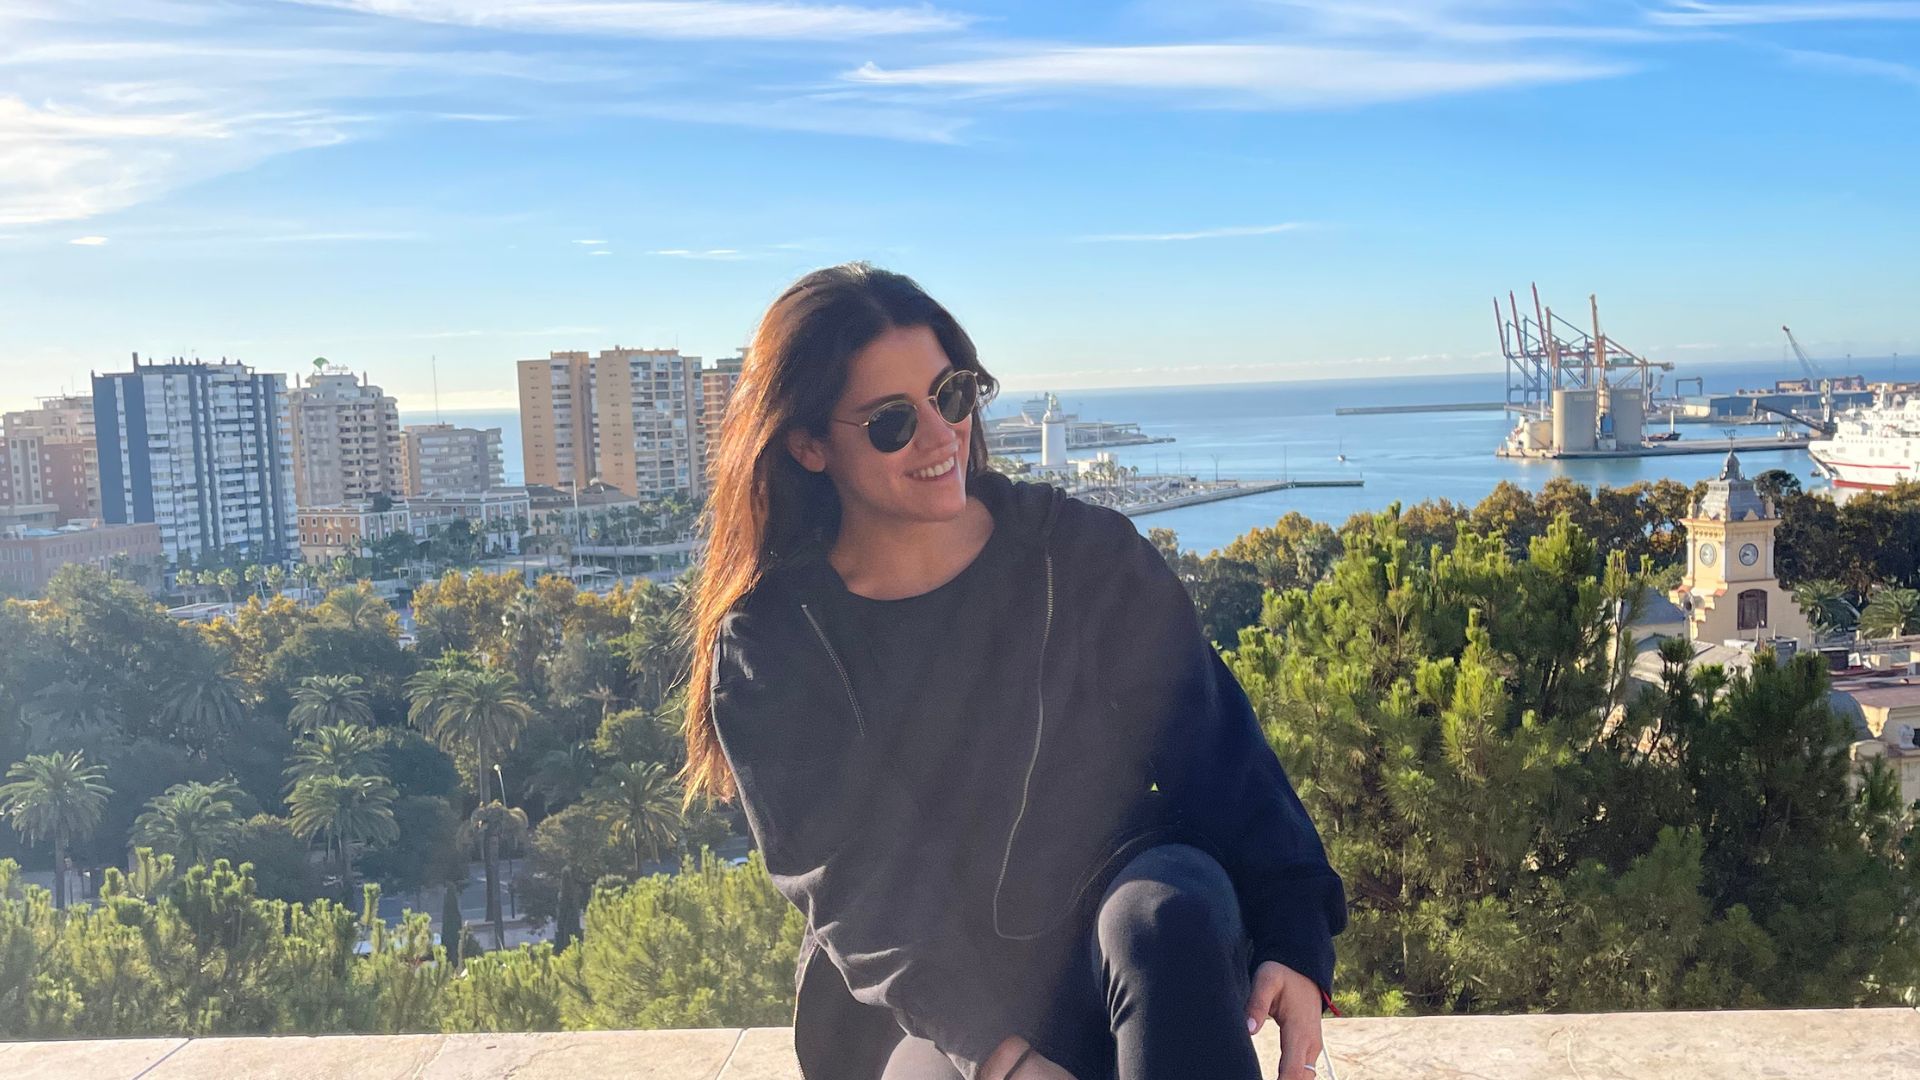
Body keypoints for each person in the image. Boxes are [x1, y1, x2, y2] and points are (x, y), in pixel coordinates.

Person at [682, 264, 1346, 1080]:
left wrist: (1296, 939)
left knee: (1163, 919)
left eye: (952, 395)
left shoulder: (1080, 556)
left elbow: (1217, 753)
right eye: (892, 422)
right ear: (808, 445)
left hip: (1113, 911)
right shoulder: (775, 644)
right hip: (916, 990)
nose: (941, 436)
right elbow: (856, 888)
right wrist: (1003, 1059)